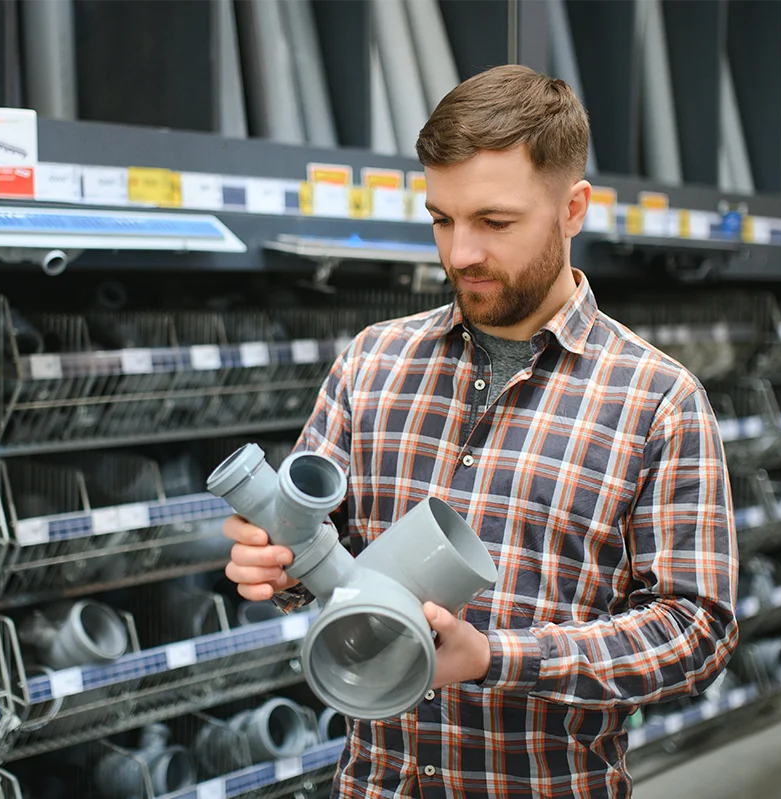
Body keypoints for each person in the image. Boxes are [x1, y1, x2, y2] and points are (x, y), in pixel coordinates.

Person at [223, 64, 738, 799]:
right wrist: (271, 564)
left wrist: (497, 656)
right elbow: (314, 560)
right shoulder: (373, 362)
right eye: (441, 218)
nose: (459, 253)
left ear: (573, 208)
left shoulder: (657, 400)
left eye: (494, 222)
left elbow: (696, 632)